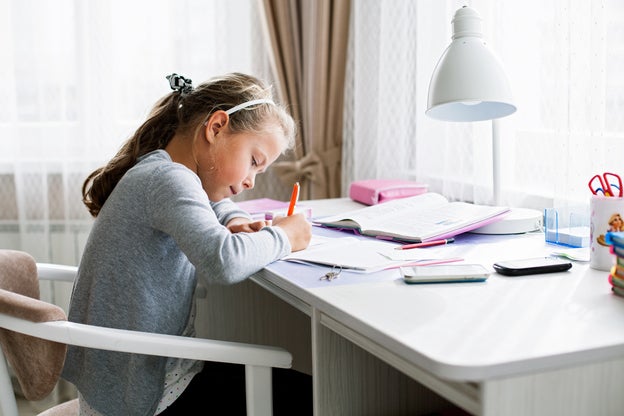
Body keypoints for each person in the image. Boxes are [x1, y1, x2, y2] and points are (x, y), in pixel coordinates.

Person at [62, 72, 312, 415]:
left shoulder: (163, 169)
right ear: (216, 127)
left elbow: (210, 201)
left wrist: (234, 219)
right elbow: (223, 261)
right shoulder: (169, 180)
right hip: (147, 397)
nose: (252, 181)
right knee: (315, 396)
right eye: (254, 162)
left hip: (123, 384)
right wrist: (286, 236)